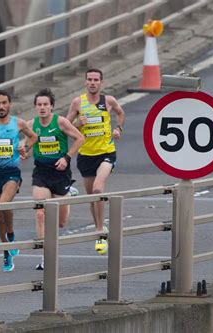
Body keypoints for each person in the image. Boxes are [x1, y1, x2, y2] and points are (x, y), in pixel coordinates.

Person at [66, 68, 125, 255]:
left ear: (101, 83)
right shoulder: (77, 102)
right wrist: (78, 124)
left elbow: (120, 113)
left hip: (106, 152)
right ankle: (99, 226)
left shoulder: (108, 101)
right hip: (86, 155)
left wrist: (118, 129)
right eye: (89, 79)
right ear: (85, 82)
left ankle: (100, 232)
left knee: (99, 189)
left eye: (96, 80)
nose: (92, 82)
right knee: (93, 196)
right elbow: (65, 127)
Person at [0, 90, 37, 272]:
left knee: (2, 205)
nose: (1, 106)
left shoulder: (18, 123)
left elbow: (34, 136)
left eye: (4, 103)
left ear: (9, 104)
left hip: (12, 172)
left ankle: (10, 237)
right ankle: (6, 247)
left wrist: (24, 148)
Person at [27, 88, 84, 270]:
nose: (42, 108)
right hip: (41, 173)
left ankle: (69, 193)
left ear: (51, 106)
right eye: (39, 105)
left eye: (46, 104)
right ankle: (46, 256)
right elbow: (25, 143)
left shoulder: (61, 122)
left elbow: (80, 138)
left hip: (60, 173)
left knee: (60, 222)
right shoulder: (30, 125)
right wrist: (23, 151)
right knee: (41, 213)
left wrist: (66, 158)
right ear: (35, 107)